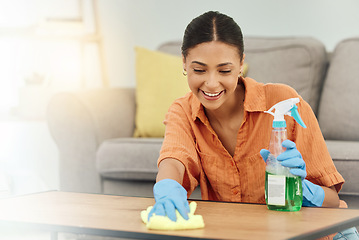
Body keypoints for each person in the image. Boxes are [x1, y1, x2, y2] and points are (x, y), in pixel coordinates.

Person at [148, 11, 358, 240]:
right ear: (184, 63)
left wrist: (303, 189)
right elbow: (174, 159)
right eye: (199, 70)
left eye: (224, 70)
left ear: (241, 64)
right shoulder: (183, 111)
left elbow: (332, 201)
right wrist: (167, 186)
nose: (211, 83)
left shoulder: (284, 103)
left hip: (325, 234)